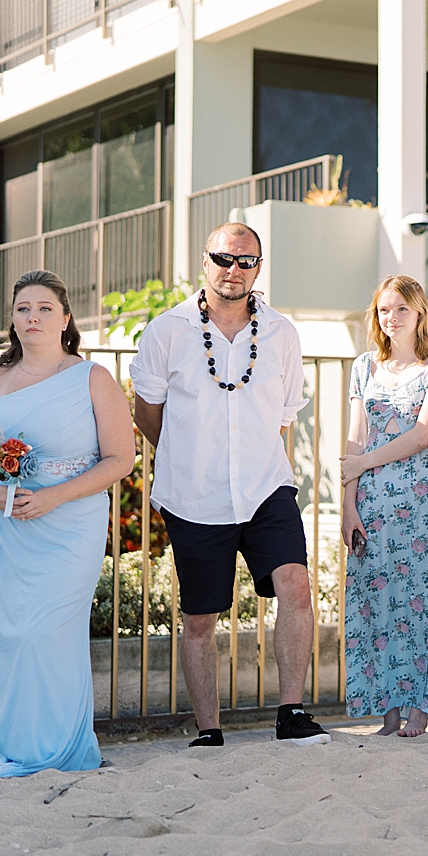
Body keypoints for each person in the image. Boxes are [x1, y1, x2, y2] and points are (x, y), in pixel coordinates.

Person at [130, 222, 329, 747]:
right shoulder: (166, 331)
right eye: (224, 258)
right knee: (200, 617)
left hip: (266, 486)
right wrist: (187, 453)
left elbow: (283, 415)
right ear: (205, 261)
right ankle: (209, 730)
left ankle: (291, 713)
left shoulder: (282, 333)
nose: (233, 270)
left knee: (296, 586)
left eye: (245, 261)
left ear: (258, 269)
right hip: (192, 493)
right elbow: (148, 413)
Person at [0, 270, 135, 776]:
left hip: (70, 523)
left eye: (44, 308)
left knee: (47, 632)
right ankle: (16, 750)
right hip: (4, 528)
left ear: (65, 318)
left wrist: (53, 496)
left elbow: (121, 458)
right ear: (12, 320)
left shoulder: (93, 377)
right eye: (23, 309)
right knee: (9, 636)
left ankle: (60, 748)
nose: (32, 317)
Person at [339, 276, 428, 737]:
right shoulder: (364, 366)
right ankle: (386, 713)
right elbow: (354, 436)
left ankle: (419, 709)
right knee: (375, 601)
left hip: (421, 502)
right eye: (385, 310)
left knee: (420, 599)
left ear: (420, 313)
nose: (392, 317)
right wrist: (348, 505)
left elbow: (424, 434)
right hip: (370, 501)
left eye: (402, 309)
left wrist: (364, 460)